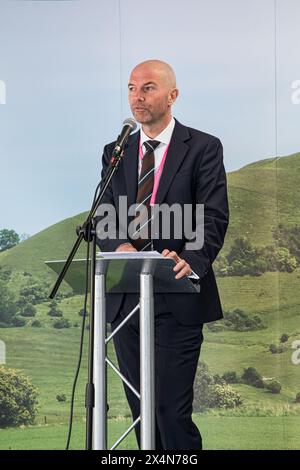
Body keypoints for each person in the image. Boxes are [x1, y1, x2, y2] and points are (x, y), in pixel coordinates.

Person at [96, 59, 229, 450]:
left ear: (172, 95)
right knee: (143, 413)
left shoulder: (203, 147)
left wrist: (195, 259)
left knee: (171, 412)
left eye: (148, 87)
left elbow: (213, 214)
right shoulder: (115, 151)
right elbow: (104, 214)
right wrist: (118, 246)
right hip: (126, 301)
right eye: (132, 88)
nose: (138, 96)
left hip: (176, 294)